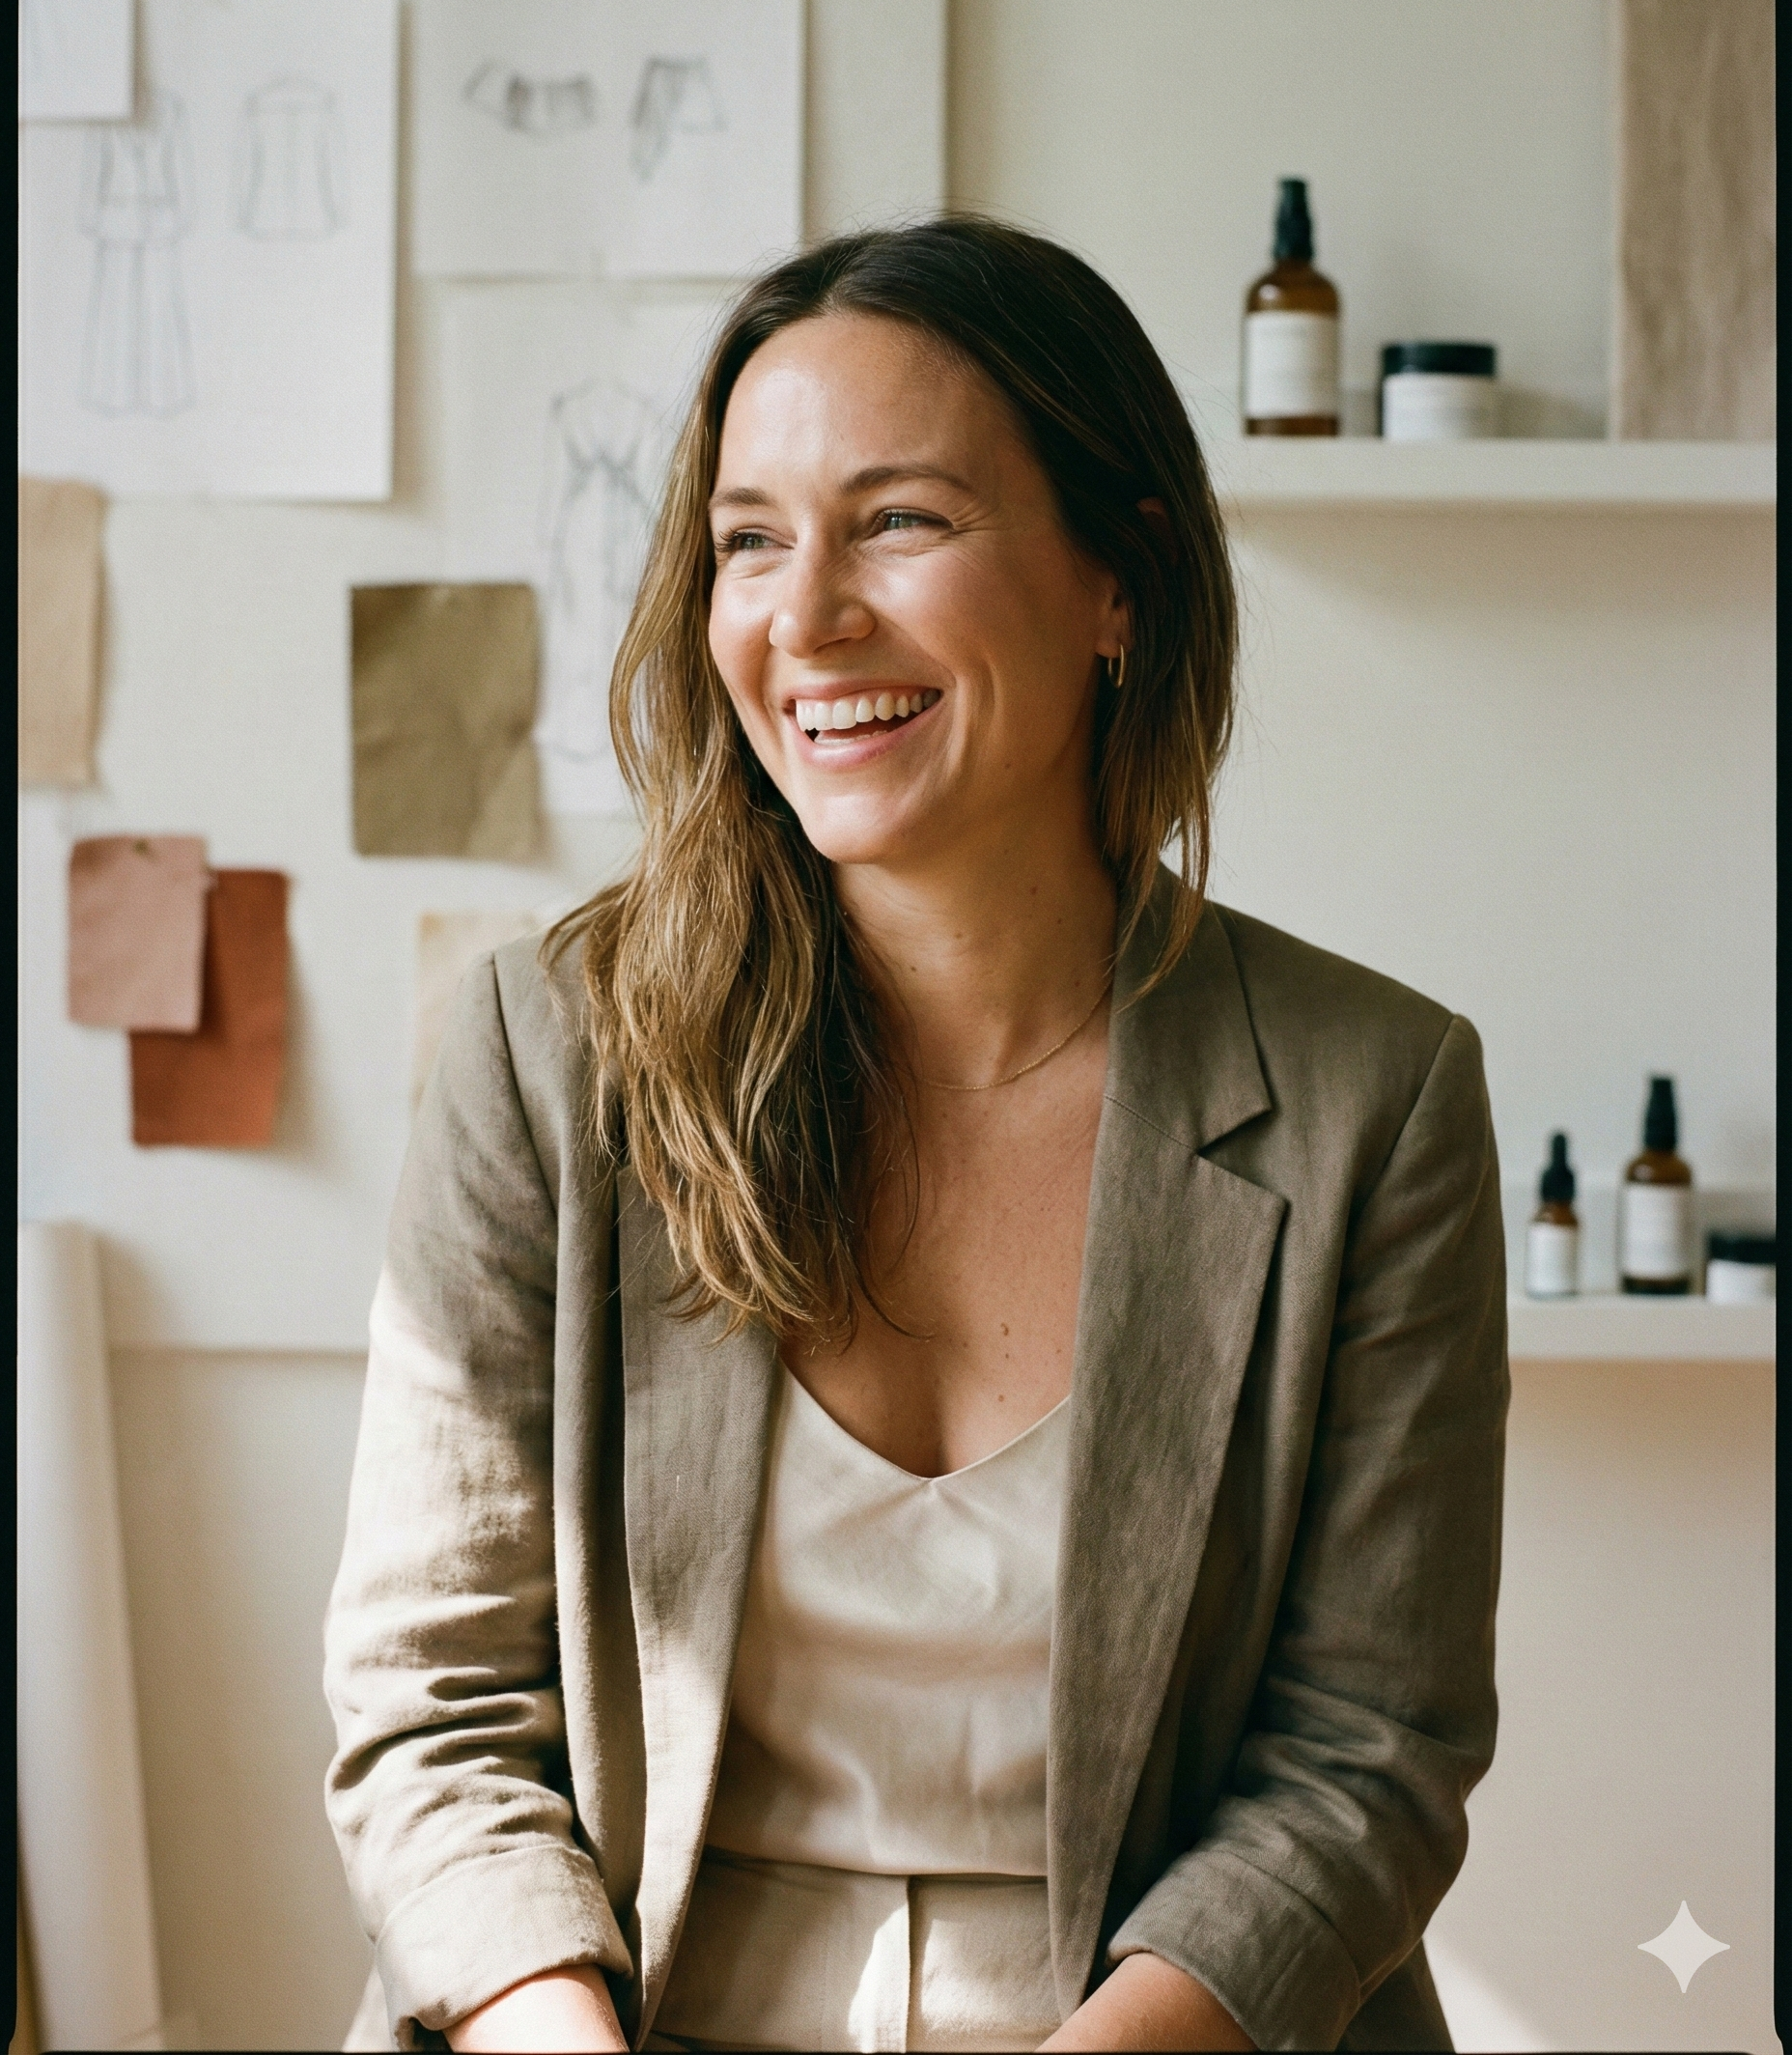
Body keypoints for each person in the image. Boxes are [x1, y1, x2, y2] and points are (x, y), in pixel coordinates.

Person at [324, 218, 1507, 2054]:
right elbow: (433, 1717)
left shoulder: (1380, 1098)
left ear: (1121, 582)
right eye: (748, 540)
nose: (804, 618)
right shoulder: (545, 1054)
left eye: (898, 520)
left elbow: (1367, 1759)